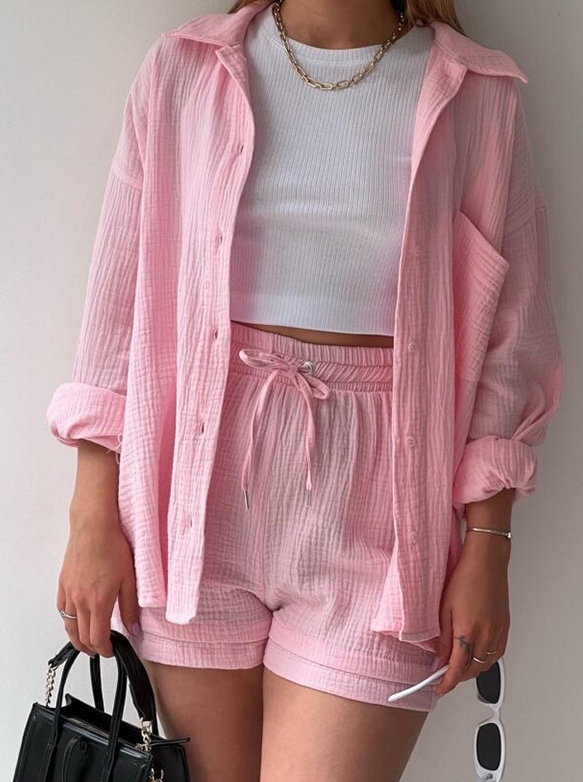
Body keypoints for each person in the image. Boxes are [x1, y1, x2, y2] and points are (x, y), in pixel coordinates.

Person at [46, 0, 563, 780]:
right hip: (193, 502)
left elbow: (510, 339)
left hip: (385, 516)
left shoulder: (473, 94)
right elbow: (117, 309)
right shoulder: (185, 68)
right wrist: (91, 517)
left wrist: (489, 542)